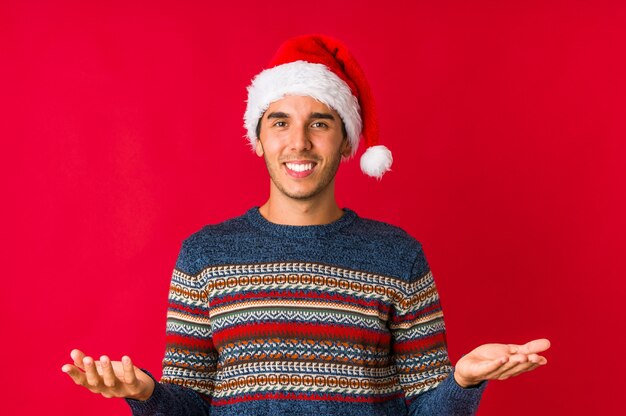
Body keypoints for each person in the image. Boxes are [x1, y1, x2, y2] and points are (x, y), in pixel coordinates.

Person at [62, 35, 550, 415]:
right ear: (257, 139)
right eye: (280, 122)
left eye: (320, 123)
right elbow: (190, 406)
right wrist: (146, 394)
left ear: (345, 142)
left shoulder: (399, 256)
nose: (299, 142)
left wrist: (462, 382)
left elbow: (425, 410)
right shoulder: (204, 255)